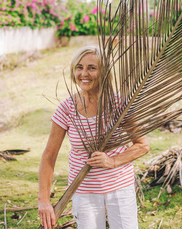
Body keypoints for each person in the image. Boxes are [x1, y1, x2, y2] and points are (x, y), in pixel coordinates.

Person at [38, 45, 150, 229]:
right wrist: (43, 200)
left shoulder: (119, 104)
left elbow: (142, 145)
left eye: (92, 68)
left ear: (103, 72)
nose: (84, 73)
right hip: (83, 190)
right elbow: (49, 156)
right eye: (79, 67)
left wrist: (112, 161)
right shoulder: (67, 109)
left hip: (119, 188)